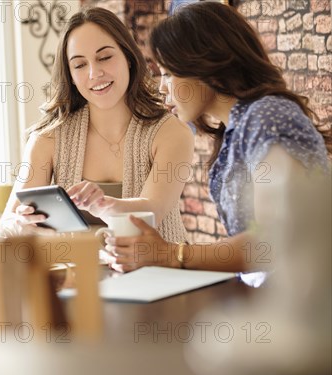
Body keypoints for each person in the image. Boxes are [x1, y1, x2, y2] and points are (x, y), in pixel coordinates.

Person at [103, 1, 330, 273]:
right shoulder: (236, 129)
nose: (162, 88)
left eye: (168, 73)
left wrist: (171, 254)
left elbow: (275, 241)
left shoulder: (267, 116)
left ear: (204, 65)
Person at [0, 7, 194, 244]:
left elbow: (152, 211)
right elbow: (6, 224)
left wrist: (101, 204)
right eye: (79, 65)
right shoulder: (48, 139)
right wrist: (19, 226)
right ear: (70, 75)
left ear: (128, 58)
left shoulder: (171, 132)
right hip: (79, 278)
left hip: (165, 275)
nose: (95, 73)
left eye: (104, 57)